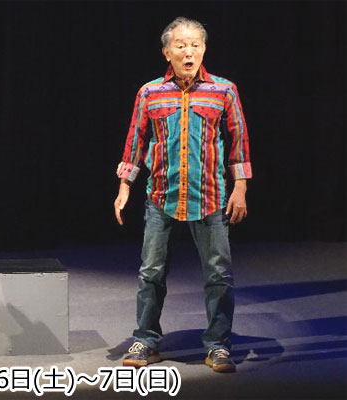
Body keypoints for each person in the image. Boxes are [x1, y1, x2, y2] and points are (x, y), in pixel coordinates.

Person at [114, 17, 251, 373]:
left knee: (218, 274)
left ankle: (218, 345)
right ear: (167, 52)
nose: (188, 52)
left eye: (195, 45)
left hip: (211, 197)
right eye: (180, 45)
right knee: (151, 272)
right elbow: (136, 138)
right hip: (162, 195)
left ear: (203, 49)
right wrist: (125, 184)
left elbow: (238, 140)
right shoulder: (150, 93)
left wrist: (240, 187)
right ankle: (145, 339)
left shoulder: (224, 91)